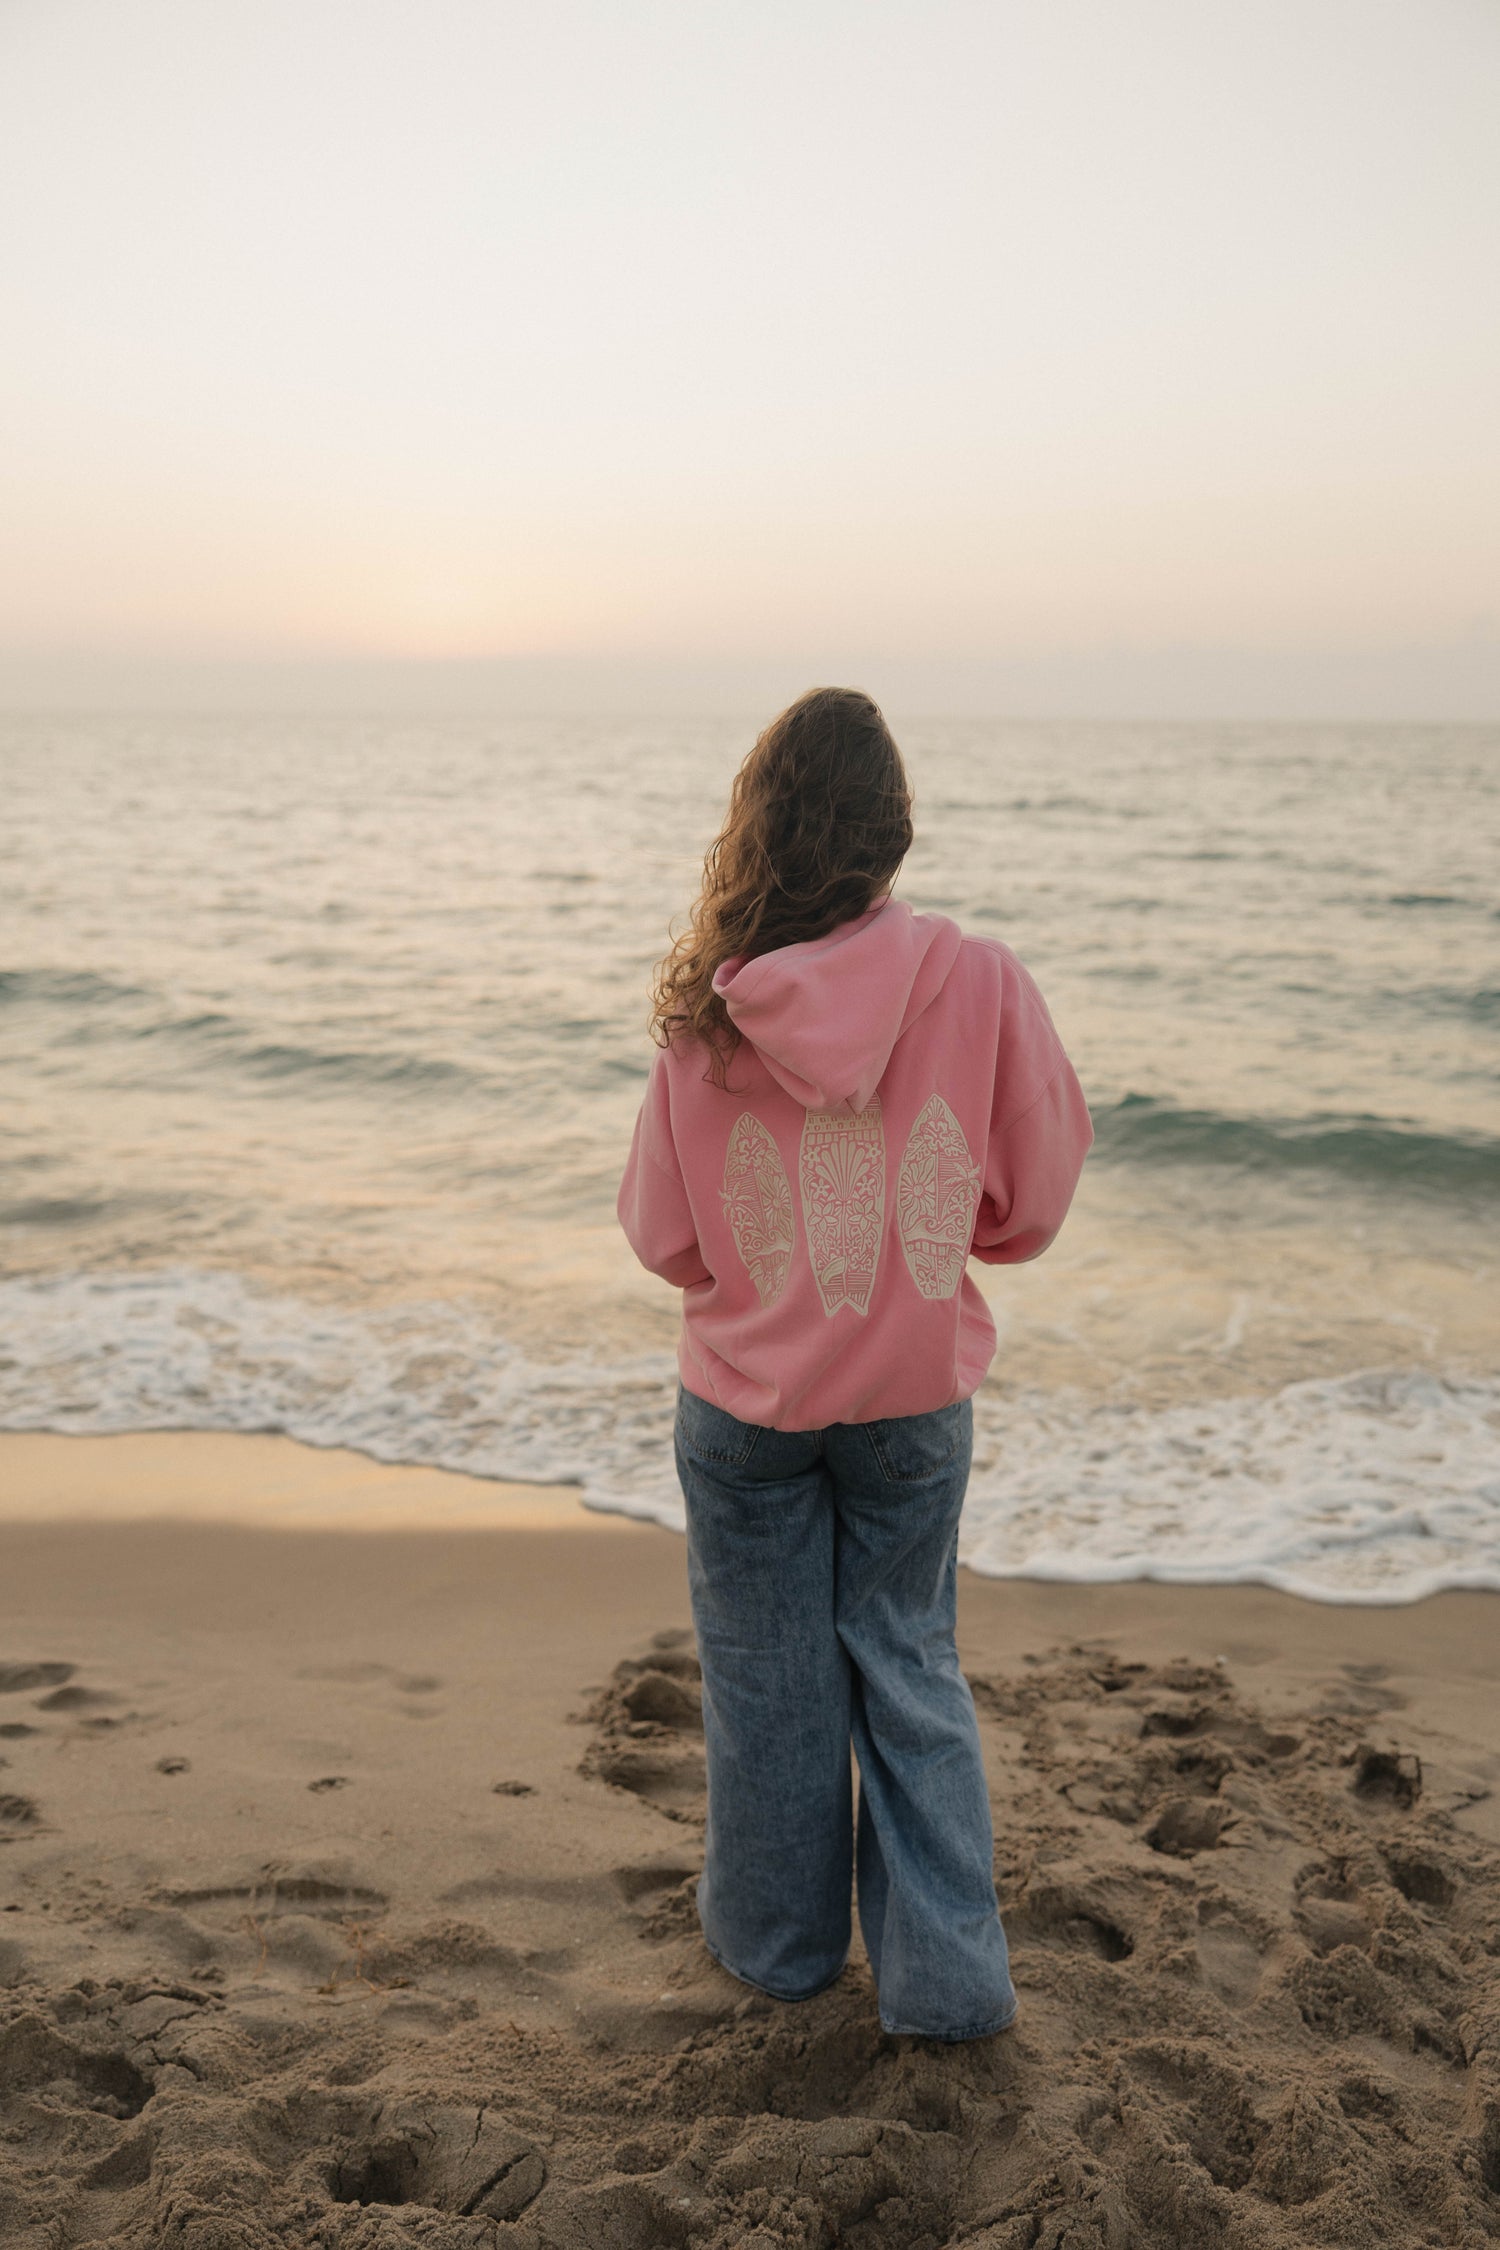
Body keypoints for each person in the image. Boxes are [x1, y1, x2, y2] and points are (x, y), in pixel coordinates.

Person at [616, 686, 1092, 2041]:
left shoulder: (708, 1015)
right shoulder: (981, 982)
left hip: (747, 1409)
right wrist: (938, 1236)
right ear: (893, 830)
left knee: (765, 1677)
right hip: (911, 1400)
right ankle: (946, 1983)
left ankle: (778, 1949)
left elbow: (663, 1237)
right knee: (909, 1660)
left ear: (756, 831)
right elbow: (1034, 1201)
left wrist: (759, 1281)